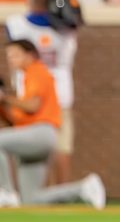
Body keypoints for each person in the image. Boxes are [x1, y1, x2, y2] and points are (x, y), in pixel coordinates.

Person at [0, 40, 105, 209]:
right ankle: (83, 188)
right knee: (31, 199)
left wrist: (5, 98)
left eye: (15, 54)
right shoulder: (25, 78)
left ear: (30, 55)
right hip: (31, 137)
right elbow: (13, 122)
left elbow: (33, 106)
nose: (11, 59)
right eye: (9, 56)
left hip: (41, 132)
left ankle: (5, 191)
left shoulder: (37, 71)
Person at [6, 0, 78, 187]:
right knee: (56, 148)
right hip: (53, 92)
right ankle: (52, 193)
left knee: (51, 149)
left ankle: (49, 192)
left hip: (41, 96)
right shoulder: (63, 25)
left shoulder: (20, 25)